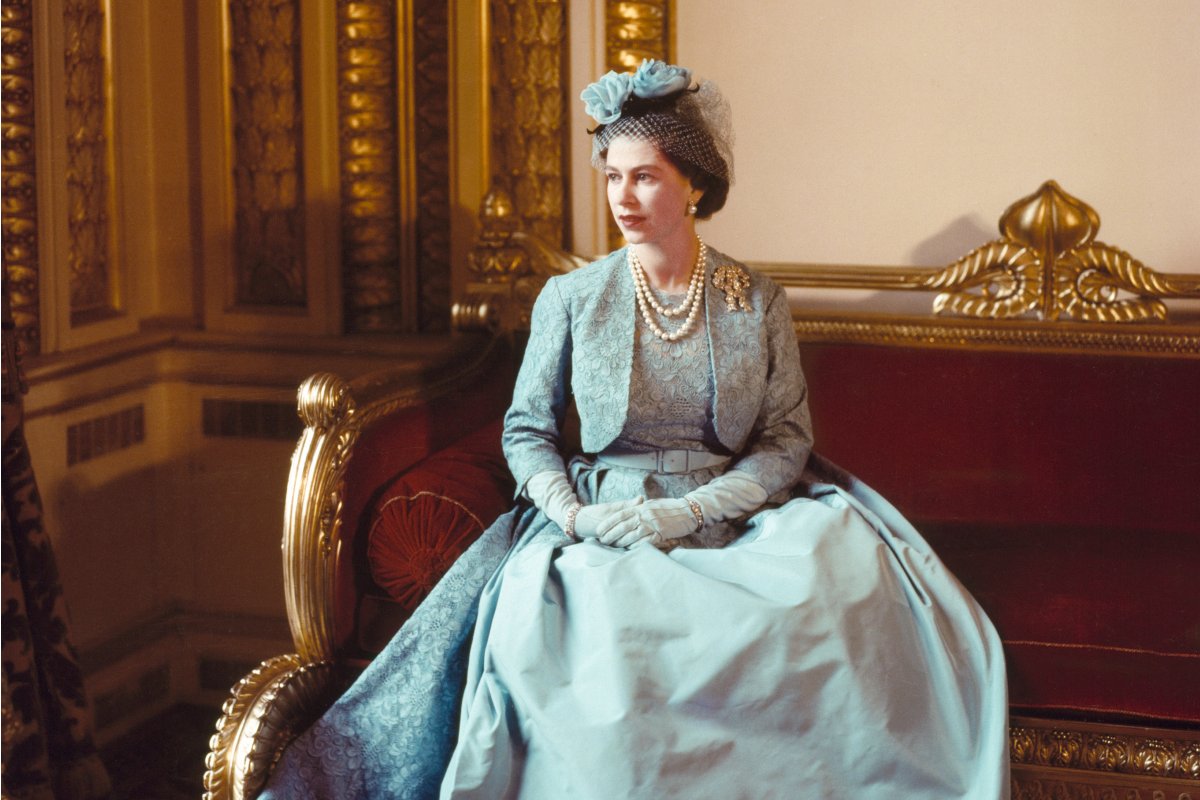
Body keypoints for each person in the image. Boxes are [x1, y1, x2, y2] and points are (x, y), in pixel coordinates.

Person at [260, 60, 1009, 799]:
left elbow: (785, 439)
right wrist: (572, 514)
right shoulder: (573, 298)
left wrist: (691, 510)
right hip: (602, 516)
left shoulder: (754, 299)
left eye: (645, 176)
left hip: (736, 512)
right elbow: (526, 430)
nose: (624, 196)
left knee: (831, 589)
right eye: (612, 175)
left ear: (693, 184)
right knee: (603, 637)